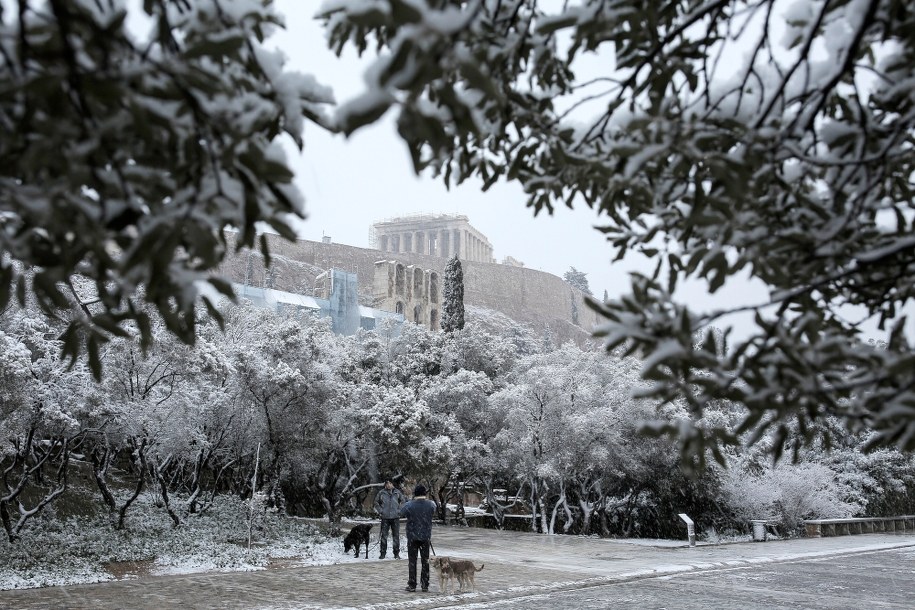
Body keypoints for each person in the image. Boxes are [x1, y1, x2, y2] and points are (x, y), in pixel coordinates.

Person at [399, 484, 437, 592]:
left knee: (412, 561)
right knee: (425, 561)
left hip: (412, 536)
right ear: (425, 493)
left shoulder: (409, 505)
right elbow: (434, 511)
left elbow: (401, 513)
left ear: (415, 493)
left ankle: (412, 584)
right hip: (425, 537)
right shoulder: (431, 504)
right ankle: (425, 584)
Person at [373, 477, 406, 559]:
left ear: (392, 484)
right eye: (387, 483)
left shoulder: (397, 492)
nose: (388, 485)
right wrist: (381, 511)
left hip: (395, 518)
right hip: (385, 518)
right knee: (384, 536)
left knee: (396, 536)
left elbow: (403, 502)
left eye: (390, 483)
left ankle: (396, 553)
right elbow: (376, 502)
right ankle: (383, 553)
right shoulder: (381, 493)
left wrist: (399, 511)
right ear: (385, 484)